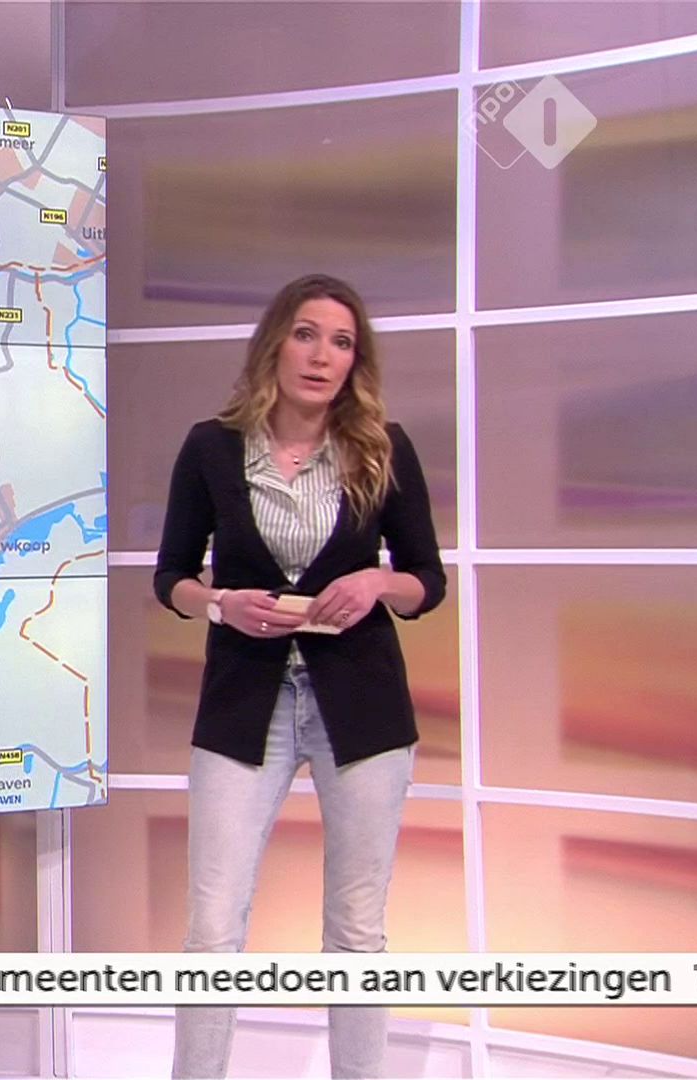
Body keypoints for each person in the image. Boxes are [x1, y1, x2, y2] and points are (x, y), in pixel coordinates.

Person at [154, 274, 445, 1079]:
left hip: (361, 706)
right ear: (275, 343)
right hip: (244, 702)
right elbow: (170, 575)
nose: (322, 356)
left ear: (356, 361)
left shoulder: (383, 447)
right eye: (307, 334)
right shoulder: (211, 447)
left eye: (341, 342)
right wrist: (220, 604)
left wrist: (377, 583)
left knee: (356, 931)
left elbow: (427, 580)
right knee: (212, 928)